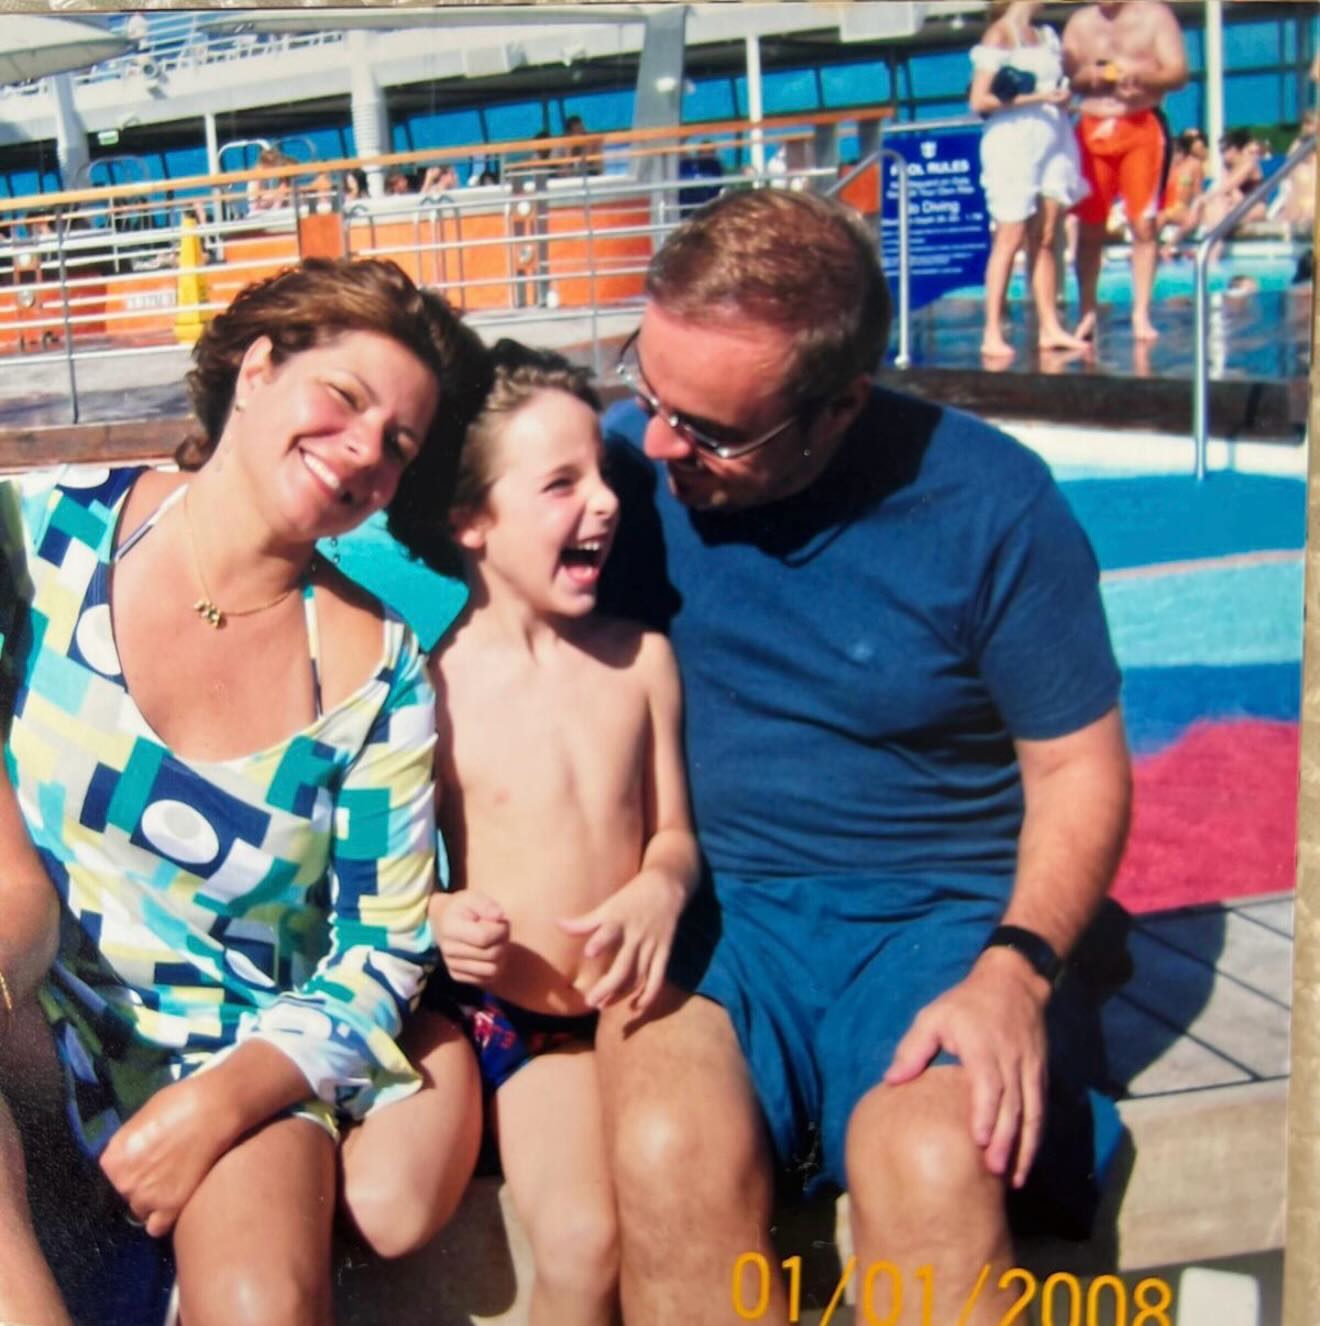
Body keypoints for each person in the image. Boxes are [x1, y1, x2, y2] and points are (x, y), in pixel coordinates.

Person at [594, 189, 1131, 1326]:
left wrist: (1017, 971)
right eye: (647, 389)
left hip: (941, 917)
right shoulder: (620, 474)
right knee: (664, 1144)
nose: (659, 442)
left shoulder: (990, 505)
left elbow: (1079, 771)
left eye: (711, 430)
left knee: (931, 1162)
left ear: (839, 406)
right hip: (721, 915)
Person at [0, 258, 494, 1326]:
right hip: (36, 1011)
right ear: (258, 369)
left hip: (242, 1046)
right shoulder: (43, 534)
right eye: (345, 399)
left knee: (260, 1300)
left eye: (399, 444)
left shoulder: (376, 672)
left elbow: (381, 951)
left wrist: (216, 1104)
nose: (363, 450)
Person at [397, 341, 698, 1325]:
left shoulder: (640, 661)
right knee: (580, 1239)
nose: (605, 503)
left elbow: (674, 836)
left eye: (602, 475)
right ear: (471, 521)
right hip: (520, 1024)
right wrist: (436, 916)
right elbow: (390, 875)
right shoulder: (431, 689)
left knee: (675, 1208)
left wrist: (661, 885)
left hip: (637, 1005)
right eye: (562, 484)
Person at [969, 0, 1090, 358]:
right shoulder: (1000, 35)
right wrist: (1039, 96)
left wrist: (1062, 99)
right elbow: (980, 99)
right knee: (1010, 235)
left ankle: (1049, 326)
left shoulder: (1046, 36)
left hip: (1052, 135)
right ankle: (992, 329)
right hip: (1014, 139)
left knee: (1047, 234)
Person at [1063, 1, 1189, 342]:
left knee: (1143, 224)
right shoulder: (1080, 22)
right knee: (1089, 227)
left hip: (1140, 124)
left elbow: (1178, 73)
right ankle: (1087, 310)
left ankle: (1141, 312)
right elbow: (1068, 77)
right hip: (1092, 125)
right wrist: (1089, 77)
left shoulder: (1154, 16)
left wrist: (1140, 77)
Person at [1156, 127, 1209, 252]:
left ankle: (1168, 247)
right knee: (1161, 216)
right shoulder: (1166, 167)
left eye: (1177, 152)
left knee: (1167, 216)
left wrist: (1200, 211)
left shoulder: (1193, 165)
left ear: (1183, 152)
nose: (1174, 156)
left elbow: (1198, 192)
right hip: (1167, 208)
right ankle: (1152, 247)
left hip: (1182, 208)